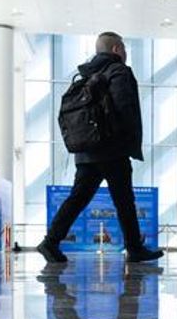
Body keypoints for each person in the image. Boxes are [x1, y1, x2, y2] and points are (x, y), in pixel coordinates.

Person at [37, 32, 163, 264]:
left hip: (86, 150)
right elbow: (124, 108)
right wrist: (127, 141)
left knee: (78, 198)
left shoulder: (86, 74)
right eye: (124, 48)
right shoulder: (118, 71)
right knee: (124, 200)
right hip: (111, 148)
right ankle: (135, 248)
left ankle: (50, 241)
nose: (125, 53)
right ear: (116, 49)